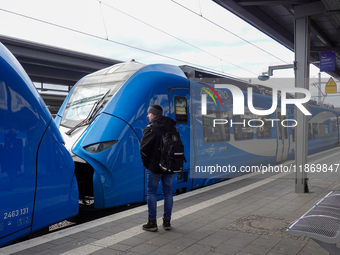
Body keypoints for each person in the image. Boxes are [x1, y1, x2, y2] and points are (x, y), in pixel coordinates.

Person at [140, 105, 177, 231]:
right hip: (170, 166)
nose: (147, 116)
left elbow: (143, 148)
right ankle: (167, 222)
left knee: (151, 192)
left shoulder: (150, 128)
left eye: (149, 113)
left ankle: (152, 223)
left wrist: (147, 164)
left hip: (154, 167)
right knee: (168, 192)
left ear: (153, 115)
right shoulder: (172, 126)